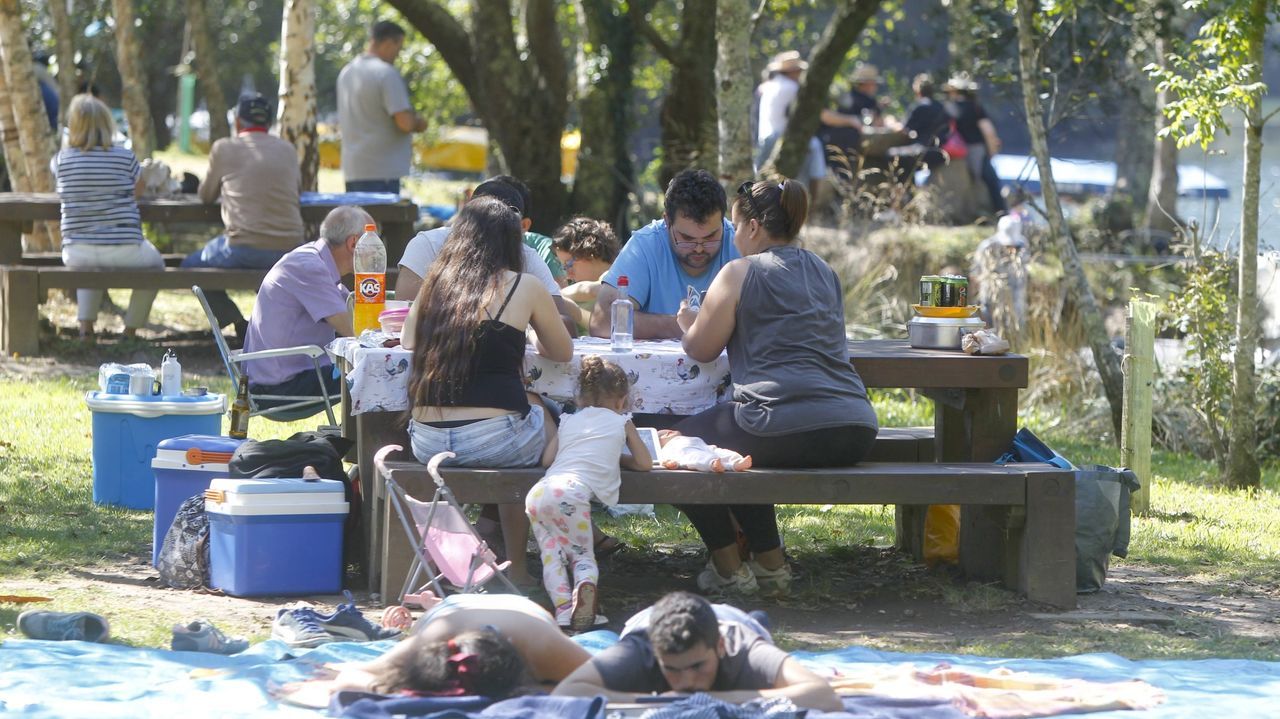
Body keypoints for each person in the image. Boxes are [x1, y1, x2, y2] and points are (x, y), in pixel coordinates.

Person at [672, 179, 879, 596]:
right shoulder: (824, 271)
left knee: (677, 449)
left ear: (751, 227)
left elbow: (701, 349)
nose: (732, 238)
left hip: (781, 420)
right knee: (741, 450)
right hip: (856, 426)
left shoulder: (739, 272)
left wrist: (686, 323)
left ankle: (729, 566)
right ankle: (770, 564)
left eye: (733, 227)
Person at [402, 196, 573, 589]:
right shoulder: (525, 286)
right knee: (540, 415)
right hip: (496, 441)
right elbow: (562, 352)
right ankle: (527, 563)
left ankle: (463, 556)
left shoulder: (435, 285)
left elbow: (409, 338)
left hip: (427, 442)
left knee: (524, 413)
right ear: (512, 244)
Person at [525, 356, 653, 631]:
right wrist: (618, 458)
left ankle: (562, 612)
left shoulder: (569, 420)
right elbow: (644, 463)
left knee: (551, 556)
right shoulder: (622, 422)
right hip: (571, 494)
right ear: (622, 400)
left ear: (580, 398)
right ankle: (584, 588)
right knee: (581, 554)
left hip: (539, 494)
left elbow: (548, 460)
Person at [553, 591, 842, 712]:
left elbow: (824, 695)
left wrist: (714, 698)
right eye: (672, 670)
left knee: (757, 622)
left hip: (734, 618)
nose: (687, 682)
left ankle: (757, 617)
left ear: (719, 647)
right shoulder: (638, 650)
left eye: (697, 667)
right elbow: (564, 694)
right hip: (649, 617)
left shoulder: (743, 648)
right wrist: (656, 702)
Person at [285, 593, 591, 704]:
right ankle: (432, 601)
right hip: (449, 612)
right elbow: (353, 676)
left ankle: (432, 601)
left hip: (518, 609)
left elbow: (622, 679)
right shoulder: (427, 645)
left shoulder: (544, 647)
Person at [183, 93, 305, 341]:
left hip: (243, 246)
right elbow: (298, 190)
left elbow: (206, 196)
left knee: (189, 267)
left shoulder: (224, 148)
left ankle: (236, 321)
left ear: (238, 122)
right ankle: (268, 328)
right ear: (270, 123)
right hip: (290, 247)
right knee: (267, 273)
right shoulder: (288, 150)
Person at [394, 176, 578, 334]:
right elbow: (403, 312)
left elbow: (565, 325)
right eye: (483, 219)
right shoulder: (428, 245)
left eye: (501, 222)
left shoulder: (527, 256)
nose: (491, 228)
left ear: (522, 227)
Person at [51, 94, 164, 339]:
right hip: (125, 247)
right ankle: (131, 329)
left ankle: (85, 327)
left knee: (89, 263)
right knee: (157, 266)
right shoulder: (125, 157)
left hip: (76, 250)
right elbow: (138, 190)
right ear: (107, 124)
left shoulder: (61, 160)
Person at [240, 205, 371, 413]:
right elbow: (352, 331)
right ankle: (370, 444)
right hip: (279, 390)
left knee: (374, 370)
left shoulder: (314, 261)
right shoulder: (311, 268)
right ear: (354, 243)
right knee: (380, 374)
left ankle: (359, 442)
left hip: (278, 381)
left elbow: (358, 316)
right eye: (373, 243)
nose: (377, 251)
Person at [590, 169, 738, 340]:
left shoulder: (739, 242)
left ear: (723, 220)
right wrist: (693, 326)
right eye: (687, 238)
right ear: (667, 221)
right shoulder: (645, 245)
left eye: (710, 237)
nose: (699, 248)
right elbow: (603, 320)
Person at [337, 20, 428, 193]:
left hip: (353, 169)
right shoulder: (386, 73)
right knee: (379, 221)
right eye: (398, 48)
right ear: (388, 43)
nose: (398, 55)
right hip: (382, 172)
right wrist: (420, 123)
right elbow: (405, 123)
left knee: (361, 220)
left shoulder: (347, 72)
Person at [754, 51, 827, 191]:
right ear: (793, 72)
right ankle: (815, 194)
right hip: (780, 138)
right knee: (816, 146)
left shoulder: (768, 87)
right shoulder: (793, 88)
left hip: (764, 140)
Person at [944, 73, 1007, 216]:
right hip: (977, 150)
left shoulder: (948, 108)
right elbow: (988, 132)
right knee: (990, 181)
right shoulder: (975, 107)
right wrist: (992, 152)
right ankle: (1000, 212)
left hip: (954, 153)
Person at [551, 217, 620, 333]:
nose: (568, 274)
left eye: (569, 264)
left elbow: (613, 330)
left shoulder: (615, 277)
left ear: (589, 253)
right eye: (564, 267)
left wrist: (575, 311)